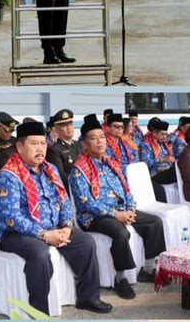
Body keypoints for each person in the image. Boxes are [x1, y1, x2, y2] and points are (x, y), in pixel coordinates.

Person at [0, 121, 111, 315]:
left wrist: (65, 226)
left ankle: (88, 297)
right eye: (34, 144)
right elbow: (10, 217)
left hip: (53, 227)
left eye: (42, 143)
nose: (40, 148)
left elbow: (64, 200)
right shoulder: (9, 175)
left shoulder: (50, 169)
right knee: (39, 253)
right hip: (15, 234)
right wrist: (43, 235)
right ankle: (39, 312)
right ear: (20, 146)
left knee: (86, 242)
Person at [69, 115, 166, 299]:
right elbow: (86, 202)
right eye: (93, 138)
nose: (99, 141)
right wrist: (116, 214)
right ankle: (121, 278)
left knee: (154, 222)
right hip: (93, 217)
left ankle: (148, 268)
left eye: (102, 137)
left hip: (120, 210)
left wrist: (129, 209)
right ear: (84, 145)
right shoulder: (78, 169)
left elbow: (127, 191)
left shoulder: (111, 163)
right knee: (121, 232)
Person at [46, 109, 82, 190]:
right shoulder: (53, 150)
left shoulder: (79, 145)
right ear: (56, 129)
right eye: (64, 125)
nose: (69, 128)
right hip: (71, 190)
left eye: (70, 124)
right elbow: (61, 176)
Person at [139, 119, 177, 184]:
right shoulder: (146, 144)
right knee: (175, 172)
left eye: (166, 134)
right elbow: (145, 163)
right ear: (154, 133)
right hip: (154, 174)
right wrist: (162, 159)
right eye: (162, 134)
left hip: (166, 171)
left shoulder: (163, 143)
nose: (165, 137)